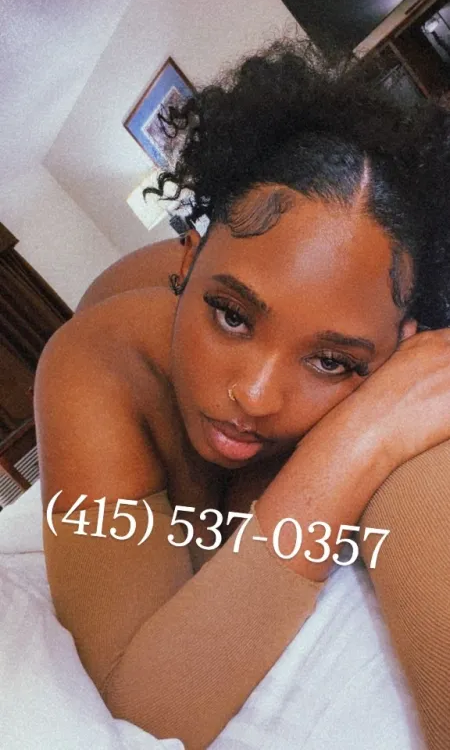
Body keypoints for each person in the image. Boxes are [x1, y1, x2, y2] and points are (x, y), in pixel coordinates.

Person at [35, 40, 450, 749]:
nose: (255, 396)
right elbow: (144, 706)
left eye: (329, 360)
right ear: (190, 257)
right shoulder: (99, 365)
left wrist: (377, 422)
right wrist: (359, 442)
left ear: (399, 344)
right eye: (231, 315)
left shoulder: (397, 357)